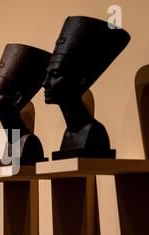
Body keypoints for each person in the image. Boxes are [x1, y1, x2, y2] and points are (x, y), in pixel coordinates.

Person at [42, 16, 130, 160]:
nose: (45, 83)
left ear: (80, 80)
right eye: (47, 75)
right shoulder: (68, 133)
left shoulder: (94, 133)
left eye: (55, 74)